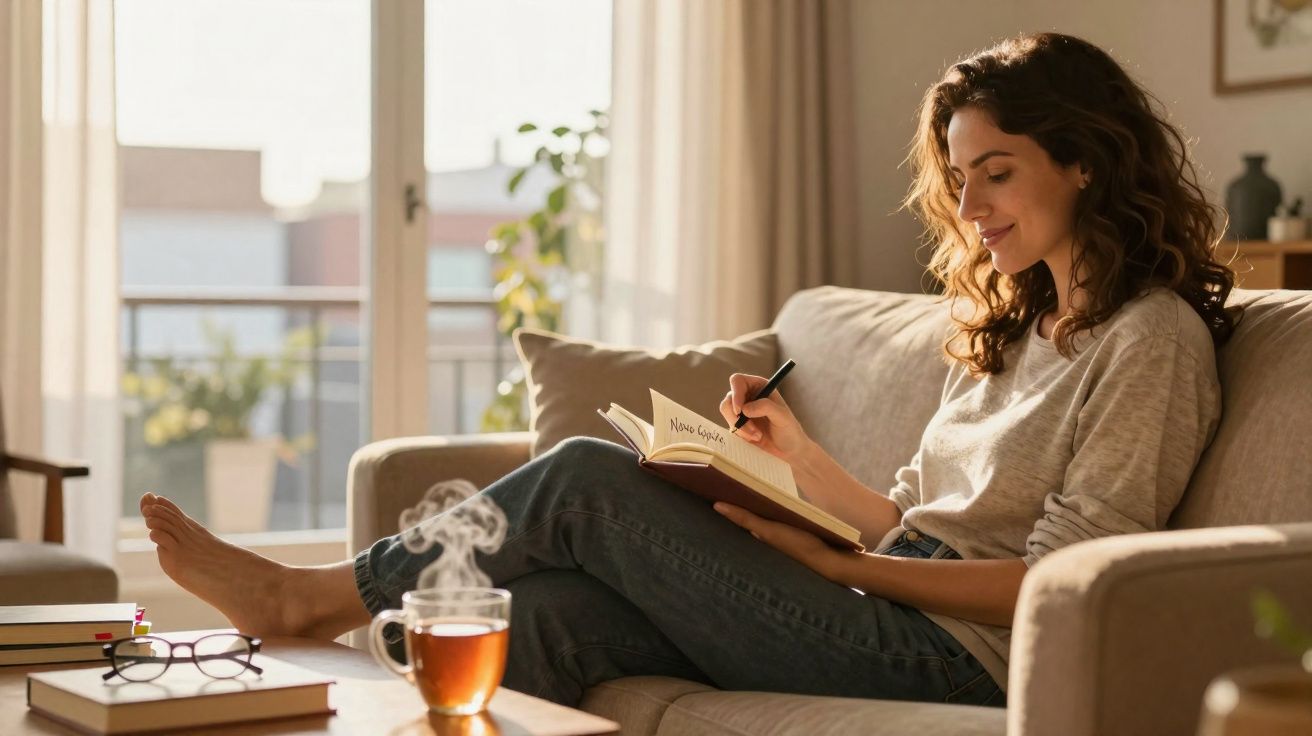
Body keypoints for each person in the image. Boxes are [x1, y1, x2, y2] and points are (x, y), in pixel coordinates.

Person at [139, 32, 1238, 709]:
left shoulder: (1152, 343)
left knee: (579, 479)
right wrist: (794, 463)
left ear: (1086, 160)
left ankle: (307, 593)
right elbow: (909, 522)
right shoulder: (1011, 327)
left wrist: (833, 565)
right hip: (893, 603)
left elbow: (1056, 586)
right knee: (554, 614)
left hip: (961, 661)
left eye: (996, 173)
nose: (973, 208)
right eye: (959, 181)